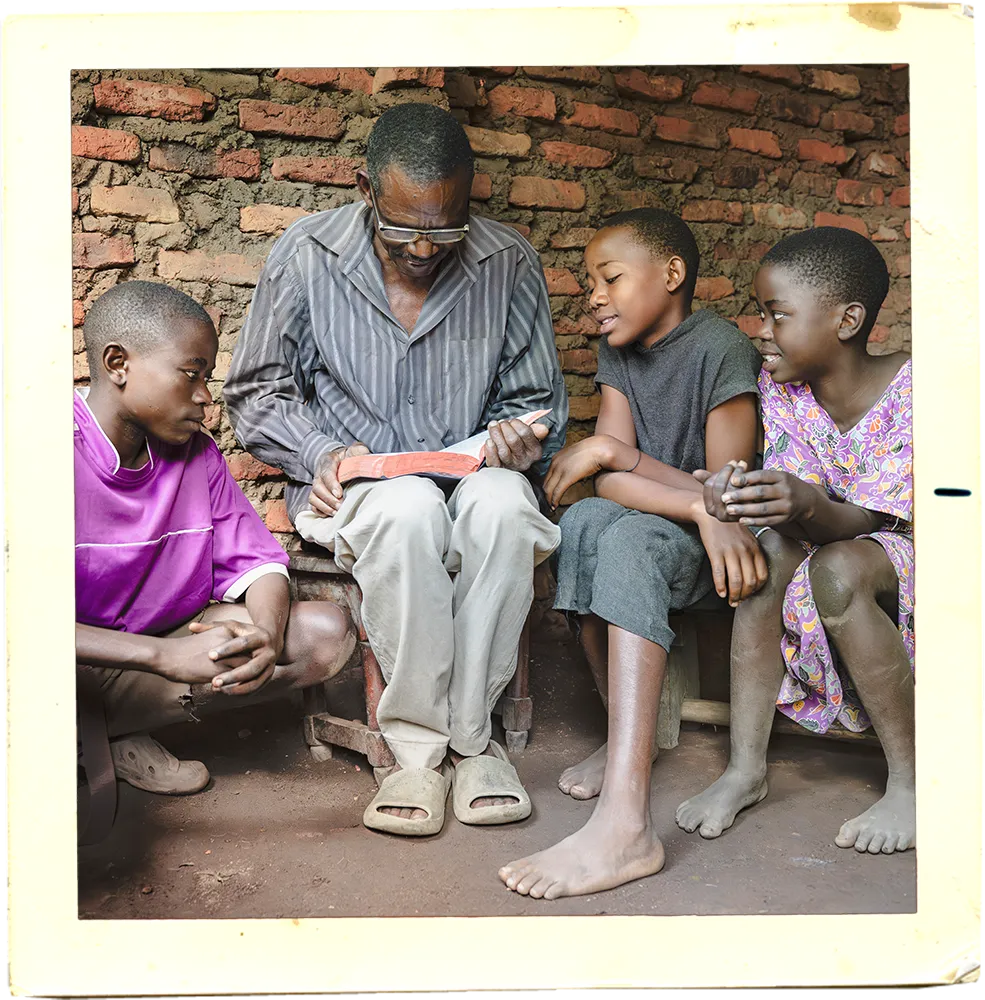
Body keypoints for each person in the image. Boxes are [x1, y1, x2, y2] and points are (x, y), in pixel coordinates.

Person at [223, 102, 567, 837]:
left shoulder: (506, 261)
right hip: (355, 488)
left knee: (505, 504)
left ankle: (475, 745)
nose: (422, 248)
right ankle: (414, 753)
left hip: (470, 480)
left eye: (445, 228)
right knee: (407, 507)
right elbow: (256, 392)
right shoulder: (307, 253)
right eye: (403, 226)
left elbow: (537, 399)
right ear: (364, 188)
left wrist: (518, 435)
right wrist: (318, 453)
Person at [498, 208, 766, 899]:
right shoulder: (617, 350)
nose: (593, 294)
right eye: (590, 282)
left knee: (625, 534)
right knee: (586, 519)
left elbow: (727, 495)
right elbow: (612, 479)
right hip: (677, 523)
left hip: (725, 557)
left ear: (671, 274)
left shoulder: (722, 348)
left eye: (609, 277)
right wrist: (643, 475)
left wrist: (658, 481)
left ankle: (626, 825)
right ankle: (626, 738)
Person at [676, 227, 914, 855]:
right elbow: (797, 509)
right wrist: (739, 497)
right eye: (760, 313)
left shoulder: (914, 389)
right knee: (768, 552)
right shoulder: (783, 390)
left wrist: (805, 501)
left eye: (776, 314)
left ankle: (912, 783)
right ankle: (745, 769)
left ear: (847, 319)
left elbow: (867, 520)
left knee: (836, 568)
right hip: (829, 542)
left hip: (912, 554)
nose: (760, 329)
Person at [76, 281, 355, 799]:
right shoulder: (42, 450)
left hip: (149, 656)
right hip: (61, 667)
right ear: (118, 363)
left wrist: (267, 638)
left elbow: (263, 566)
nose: (205, 395)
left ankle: (108, 732)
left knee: (321, 635)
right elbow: (18, 627)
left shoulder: (197, 456)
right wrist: (160, 658)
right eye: (191, 374)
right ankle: (81, 734)